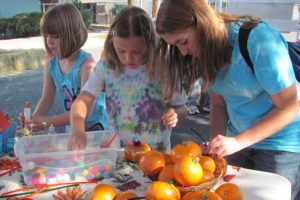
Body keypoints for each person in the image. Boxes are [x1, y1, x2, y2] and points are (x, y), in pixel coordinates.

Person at [155, 0, 300, 199]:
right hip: (239, 140)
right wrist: (217, 144)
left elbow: (290, 106)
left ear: (202, 23)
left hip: (281, 144)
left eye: (183, 41)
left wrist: (237, 142)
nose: (183, 52)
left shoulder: (258, 39)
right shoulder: (204, 52)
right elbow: (219, 105)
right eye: (175, 46)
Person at [68, 6, 187, 152]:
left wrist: (176, 114)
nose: (128, 58)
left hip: (157, 159)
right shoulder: (107, 66)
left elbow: (182, 108)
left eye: (137, 51)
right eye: (121, 51)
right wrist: (78, 129)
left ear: (150, 44)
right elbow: (83, 100)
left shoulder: (165, 68)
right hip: (120, 156)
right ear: (112, 44)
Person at [19, 3, 107, 133]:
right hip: (74, 129)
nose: (49, 41)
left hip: (97, 130)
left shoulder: (86, 66)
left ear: (73, 35)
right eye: (47, 35)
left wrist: (47, 122)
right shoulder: (51, 62)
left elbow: (85, 111)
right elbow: (46, 99)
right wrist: (33, 119)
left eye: (55, 36)